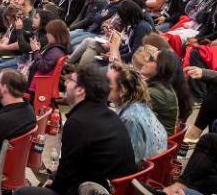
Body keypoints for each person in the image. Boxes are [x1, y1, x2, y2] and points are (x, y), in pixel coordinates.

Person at [15, 64, 138, 195]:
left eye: (70, 80)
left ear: (80, 90)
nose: (66, 83)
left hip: (95, 189)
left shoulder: (78, 123)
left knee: (22, 192)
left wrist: (51, 186)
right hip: (110, 188)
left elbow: (67, 175)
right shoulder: (109, 115)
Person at [108, 62, 168, 163]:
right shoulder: (140, 105)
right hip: (155, 166)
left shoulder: (129, 119)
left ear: (123, 90)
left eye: (108, 82)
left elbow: (130, 161)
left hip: (142, 174)